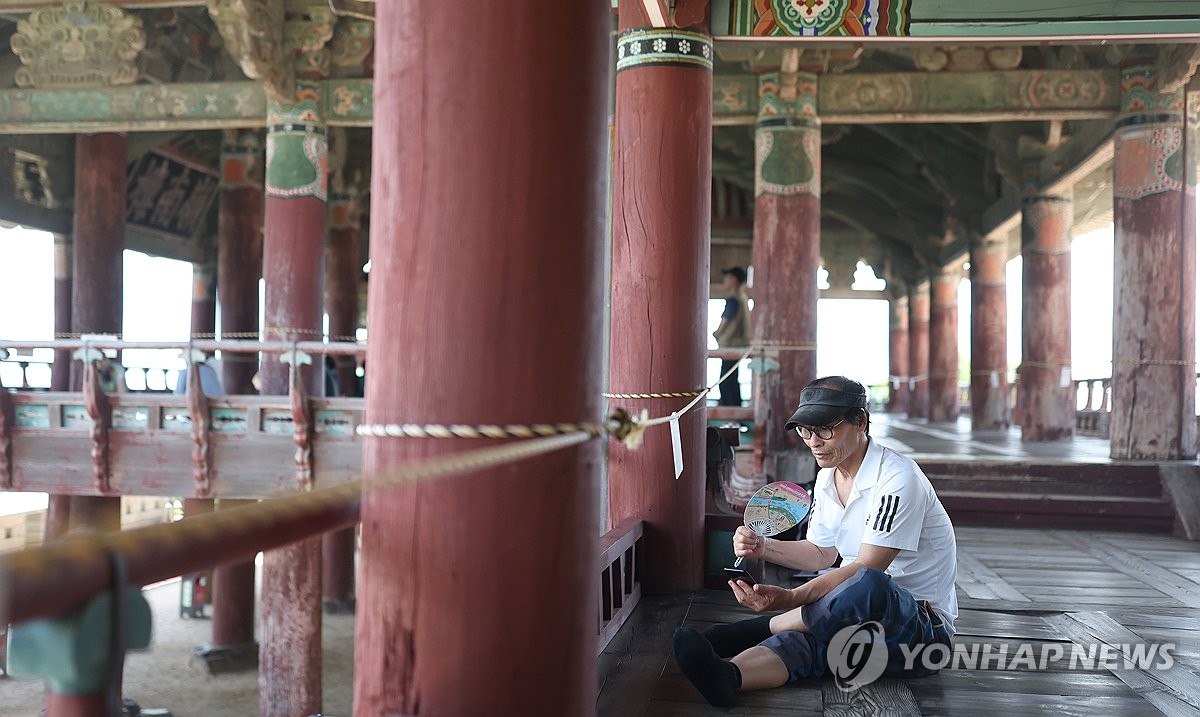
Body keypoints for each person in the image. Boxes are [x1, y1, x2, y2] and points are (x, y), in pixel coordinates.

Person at [672, 375, 958, 706]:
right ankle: (730, 677)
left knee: (869, 584)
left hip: (922, 634)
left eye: (825, 429)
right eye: (805, 430)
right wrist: (765, 548)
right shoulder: (826, 479)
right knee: (810, 641)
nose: (813, 441)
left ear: (860, 421)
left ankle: (758, 629)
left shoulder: (898, 479)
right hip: (859, 628)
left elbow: (867, 569)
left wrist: (790, 598)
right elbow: (821, 553)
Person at [713, 266, 751, 406]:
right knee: (732, 380)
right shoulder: (743, 297)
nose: (725, 281)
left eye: (727, 278)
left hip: (731, 346)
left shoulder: (734, 300)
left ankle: (731, 414)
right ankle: (736, 414)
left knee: (725, 383)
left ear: (734, 280)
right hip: (739, 344)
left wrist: (716, 334)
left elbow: (725, 322)